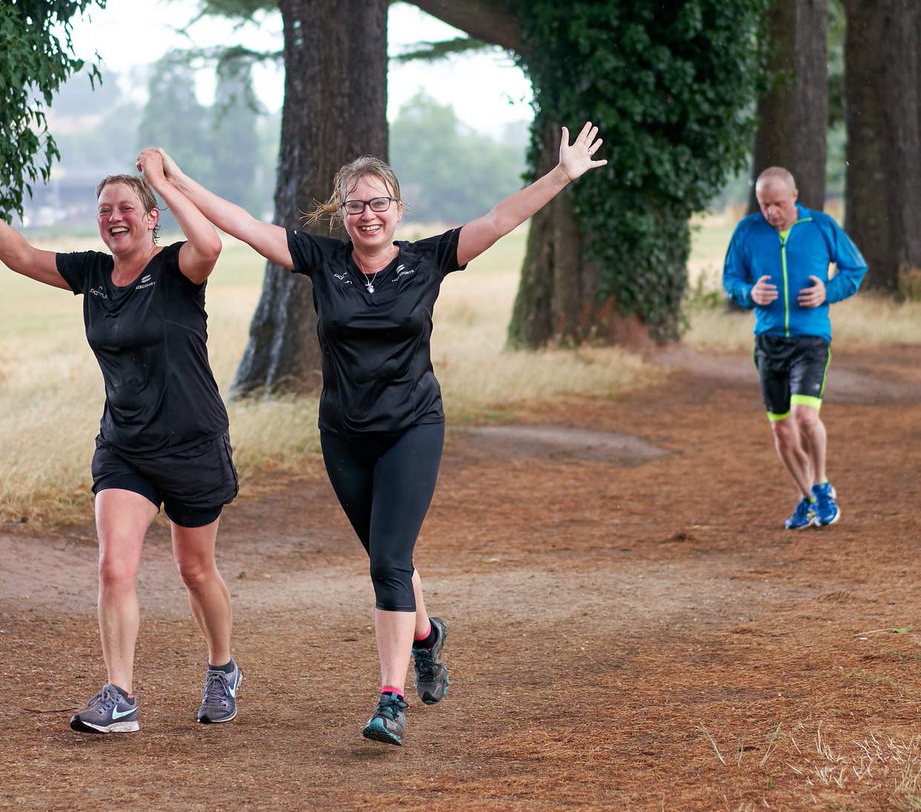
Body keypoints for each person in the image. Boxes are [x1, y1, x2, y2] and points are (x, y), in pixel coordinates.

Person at [138, 121, 606, 746]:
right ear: (342, 213)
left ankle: (391, 700)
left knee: (386, 563)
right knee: (392, 559)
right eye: (356, 204)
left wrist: (562, 175)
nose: (368, 214)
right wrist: (174, 180)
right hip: (344, 436)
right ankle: (425, 635)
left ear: (398, 209)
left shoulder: (428, 260)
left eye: (378, 202)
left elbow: (498, 219)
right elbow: (244, 224)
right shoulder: (322, 260)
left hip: (413, 427)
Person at [0, 164, 242, 734]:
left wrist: (166, 180)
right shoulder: (94, 273)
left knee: (195, 569)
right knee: (114, 567)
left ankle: (222, 668)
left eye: (127, 207)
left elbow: (211, 243)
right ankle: (121, 695)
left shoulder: (177, 267)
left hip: (192, 443)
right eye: (105, 209)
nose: (113, 217)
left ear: (152, 219)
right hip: (125, 446)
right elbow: (24, 258)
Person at [723, 166, 867, 530]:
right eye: (764, 205)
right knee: (782, 431)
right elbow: (731, 278)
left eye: (778, 204)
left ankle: (821, 485)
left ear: (795, 196)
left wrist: (828, 292)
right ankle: (806, 498)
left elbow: (855, 269)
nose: (771, 212)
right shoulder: (748, 231)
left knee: (805, 419)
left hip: (811, 337)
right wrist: (748, 293)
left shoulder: (820, 226)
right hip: (768, 340)